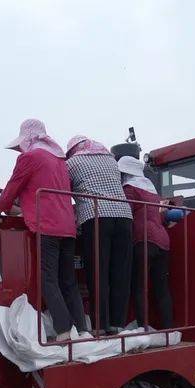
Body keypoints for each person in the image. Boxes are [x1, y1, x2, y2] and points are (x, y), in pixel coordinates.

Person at [0, 119, 86, 341]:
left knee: (48, 278)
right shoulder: (59, 161)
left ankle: (64, 331)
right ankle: (82, 329)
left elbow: (12, 187)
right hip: (68, 225)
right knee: (68, 280)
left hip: (46, 224)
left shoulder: (29, 157)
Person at [66, 135, 133, 334]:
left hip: (96, 216)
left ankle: (100, 326)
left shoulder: (72, 162)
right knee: (121, 273)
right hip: (124, 216)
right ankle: (118, 323)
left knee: (98, 273)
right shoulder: (111, 160)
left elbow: (62, 189)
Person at [119, 156, 174, 329]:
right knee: (161, 289)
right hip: (163, 240)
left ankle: (143, 329)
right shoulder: (151, 189)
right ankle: (168, 329)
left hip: (143, 239)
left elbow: (124, 214)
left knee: (139, 287)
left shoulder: (129, 188)